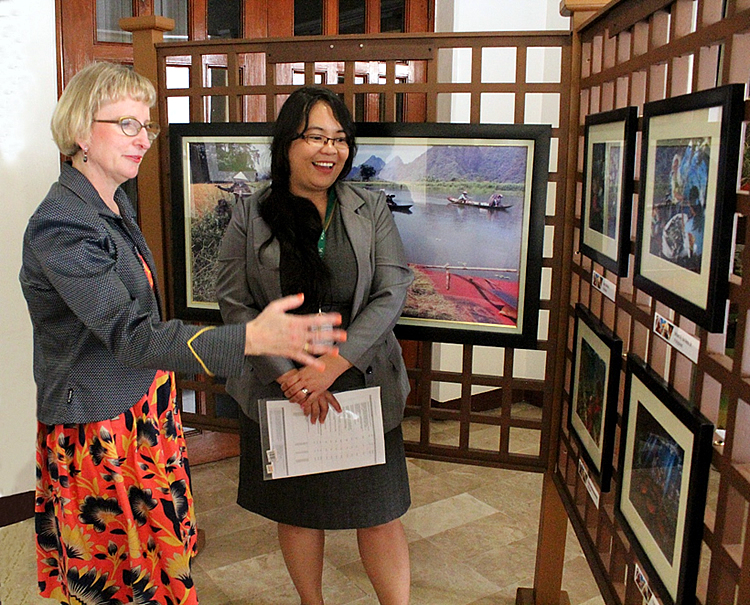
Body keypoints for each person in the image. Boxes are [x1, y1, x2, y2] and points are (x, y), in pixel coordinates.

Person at [19, 63, 346, 605]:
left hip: (143, 407)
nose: (144, 139)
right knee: (119, 580)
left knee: (157, 561)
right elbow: (131, 334)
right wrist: (250, 339)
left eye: (145, 126)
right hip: (100, 425)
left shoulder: (112, 203)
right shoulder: (63, 222)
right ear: (81, 131)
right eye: (127, 124)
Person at [215, 86, 414, 605]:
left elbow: (392, 290)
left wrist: (332, 365)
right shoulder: (250, 213)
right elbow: (236, 305)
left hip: (361, 376)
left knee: (380, 512)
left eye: (340, 139)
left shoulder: (369, 208)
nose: (330, 150)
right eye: (316, 137)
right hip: (281, 382)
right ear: (287, 144)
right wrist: (291, 376)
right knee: (301, 510)